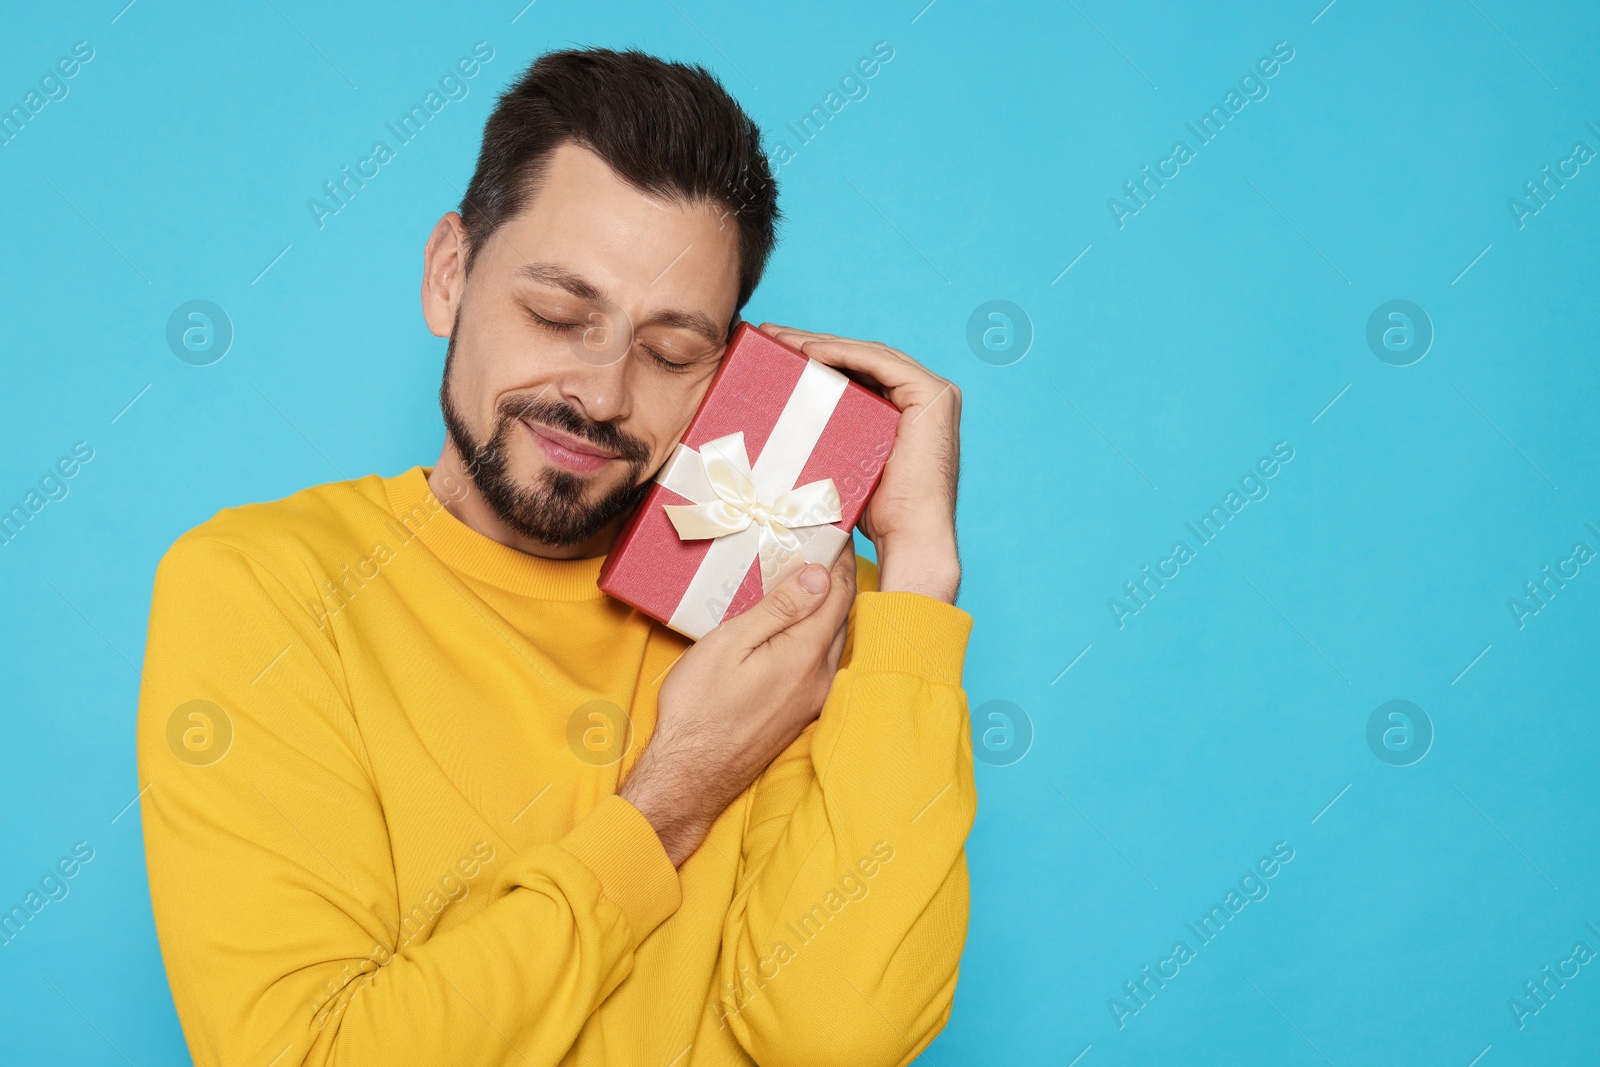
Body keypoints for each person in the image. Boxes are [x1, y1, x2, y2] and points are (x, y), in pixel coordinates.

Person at [136, 46, 972, 1067]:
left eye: (669, 351)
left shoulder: (786, 604)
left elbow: (838, 1035)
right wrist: (668, 804)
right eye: (555, 314)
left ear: (732, 365)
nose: (602, 391)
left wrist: (918, 578)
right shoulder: (261, 586)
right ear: (450, 275)